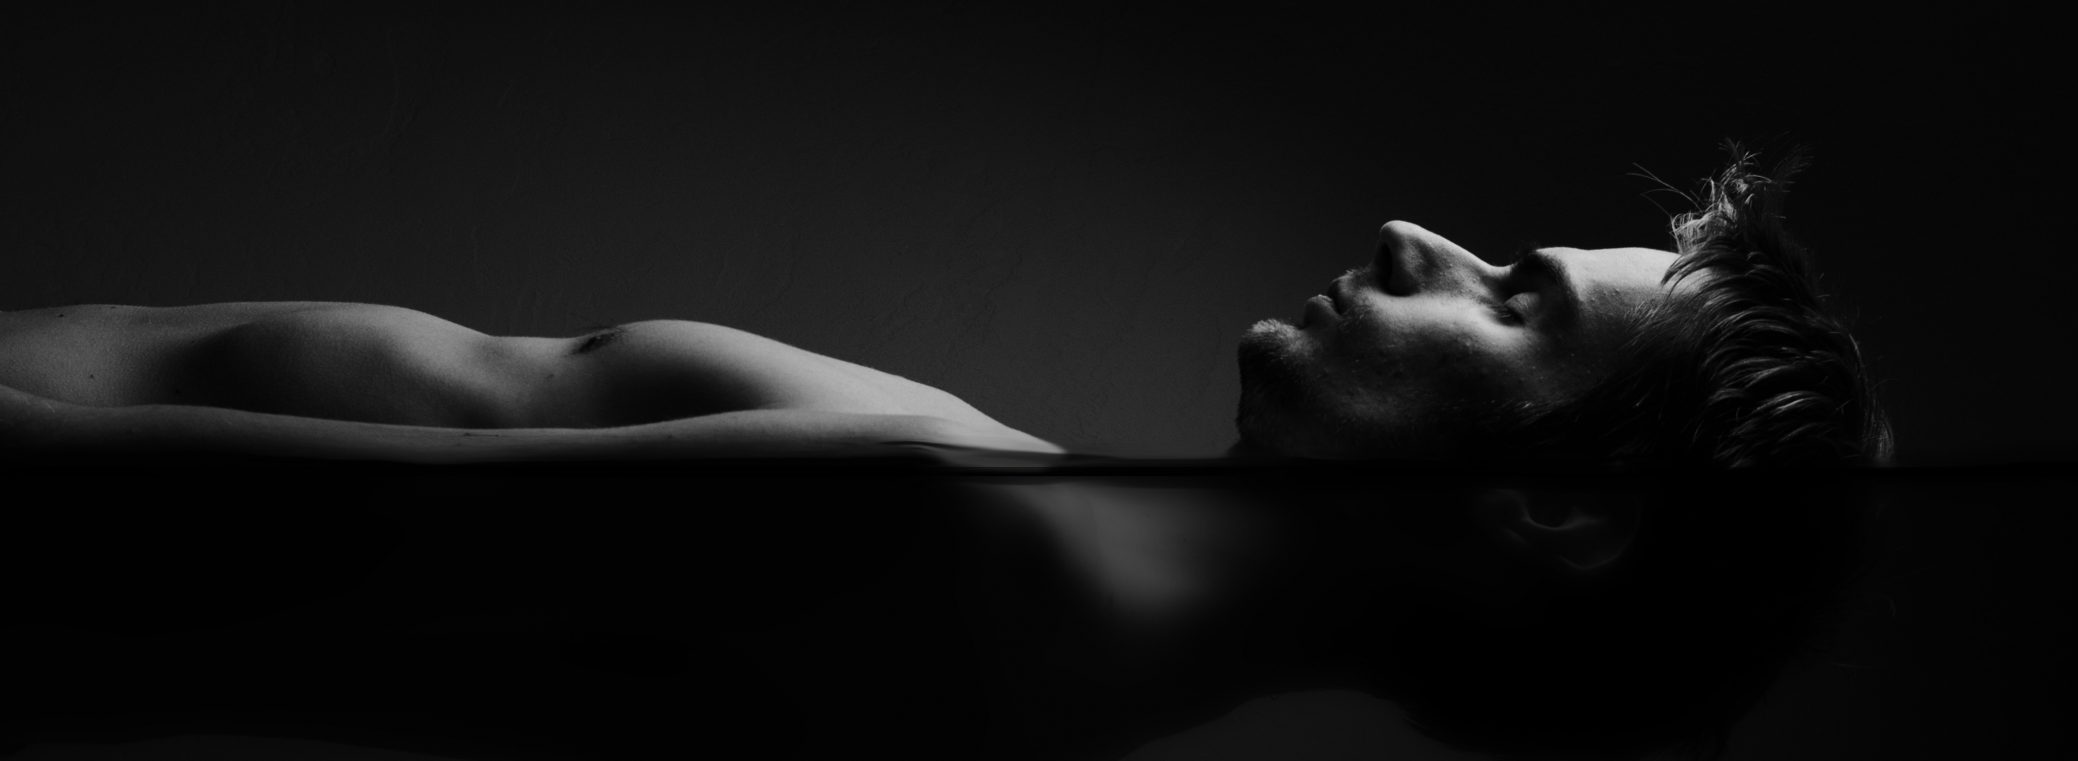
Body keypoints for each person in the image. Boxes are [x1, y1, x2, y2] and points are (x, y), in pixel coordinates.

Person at [0, 145, 1889, 760]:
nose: (1425, 249)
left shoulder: (936, 540)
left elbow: (189, 535)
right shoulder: (1026, 585)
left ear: (1559, 503)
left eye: (1514, 301)